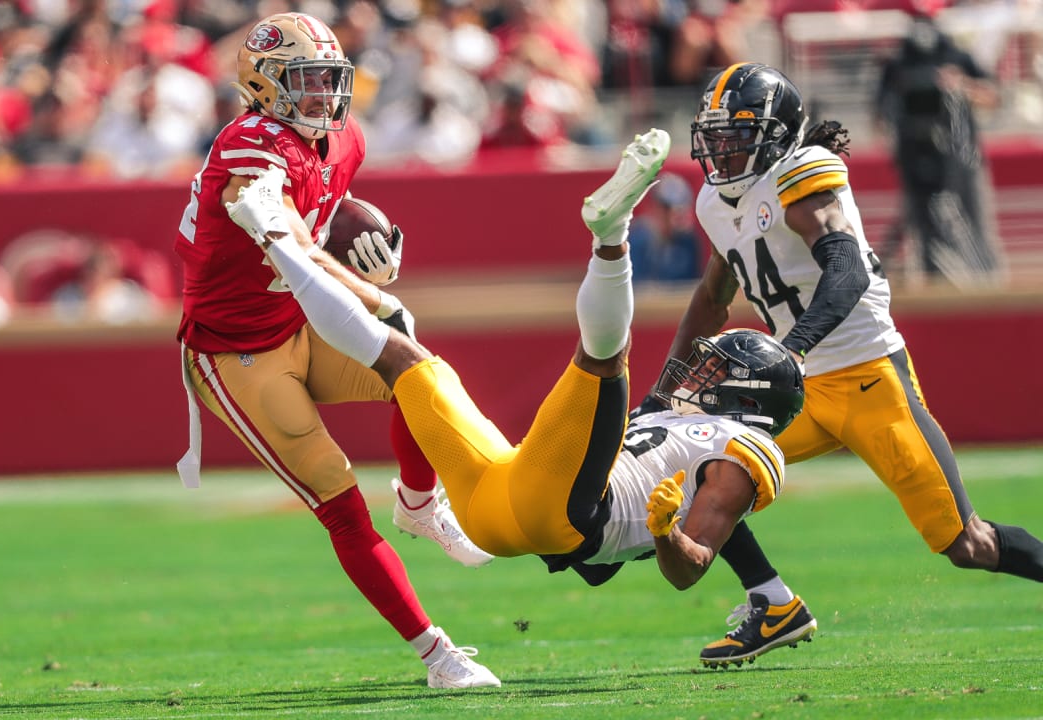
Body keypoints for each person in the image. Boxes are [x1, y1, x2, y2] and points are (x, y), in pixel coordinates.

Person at [224, 130, 807, 601]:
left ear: (747, 399)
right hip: (495, 506)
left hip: (568, 511)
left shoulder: (743, 450)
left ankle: (612, 237)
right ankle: (274, 239)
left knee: (605, 358)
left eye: (718, 371)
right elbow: (696, 329)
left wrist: (666, 532)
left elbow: (688, 571)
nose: (699, 373)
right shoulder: (681, 416)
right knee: (397, 351)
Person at [633, 62, 1043, 669]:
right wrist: (665, 393)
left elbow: (846, 269)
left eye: (738, 135)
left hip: (866, 375)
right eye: (715, 136)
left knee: (967, 544)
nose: (722, 150)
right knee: (698, 464)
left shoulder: (802, 174)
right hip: (793, 389)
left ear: (777, 136)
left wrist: (792, 349)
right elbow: (713, 297)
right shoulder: (715, 201)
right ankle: (773, 604)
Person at [172, 12, 498, 690]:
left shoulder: (344, 139)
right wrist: (369, 290)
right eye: (305, 80)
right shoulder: (249, 146)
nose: (323, 94)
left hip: (297, 321)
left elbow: (321, 207)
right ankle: (438, 657)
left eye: (328, 78)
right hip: (236, 353)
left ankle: (418, 502)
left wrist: (367, 244)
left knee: (420, 374)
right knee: (341, 502)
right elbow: (289, 240)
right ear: (262, 85)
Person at [875, 14, 1003, 287]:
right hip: (914, 159)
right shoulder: (897, 64)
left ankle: (987, 285)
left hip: (961, 160)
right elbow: (878, 117)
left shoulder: (956, 57)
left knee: (972, 225)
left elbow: (993, 97)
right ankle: (936, 284)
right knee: (926, 231)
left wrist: (961, 86)